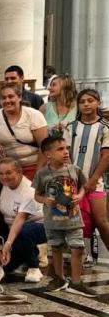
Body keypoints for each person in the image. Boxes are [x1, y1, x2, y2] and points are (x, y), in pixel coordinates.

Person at [33, 136, 97, 297]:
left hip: (73, 219)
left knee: (78, 247)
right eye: (60, 149)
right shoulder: (42, 174)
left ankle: (76, 282)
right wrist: (45, 200)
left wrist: (80, 195)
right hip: (53, 221)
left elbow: (83, 186)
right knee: (56, 248)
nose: (65, 152)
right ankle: (59, 278)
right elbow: (37, 195)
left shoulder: (75, 170)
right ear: (48, 154)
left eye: (66, 148)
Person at [63, 89, 109, 267]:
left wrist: (92, 179)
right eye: (82, 101)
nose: (87, 104)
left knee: (101, 221)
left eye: (90, 100)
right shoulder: (71, 127)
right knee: (73, 221)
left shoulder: (104, 127)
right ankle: (81, 256)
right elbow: (65, 153)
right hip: (71, 182)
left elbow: (106, 156)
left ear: (97, 102)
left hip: (94, 181)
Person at [0, 158, 46, 282]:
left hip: (37, 226)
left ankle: (33, 267)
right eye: (1, 174)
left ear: (19, 172)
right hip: (11, 227)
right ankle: (30, 253)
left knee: (23, 232)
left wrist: (8, 245)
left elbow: (19, 221)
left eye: (9, 173)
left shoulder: (29, 190)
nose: (4, 177)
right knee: (5, 267)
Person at [0, 85, 48, 179]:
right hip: (7, 170)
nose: (7, 101)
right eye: (3, 98)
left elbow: (44, 147)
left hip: (33, 165)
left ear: (19, 97)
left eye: (11, 96)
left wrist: (38, 175)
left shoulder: (34, 115)